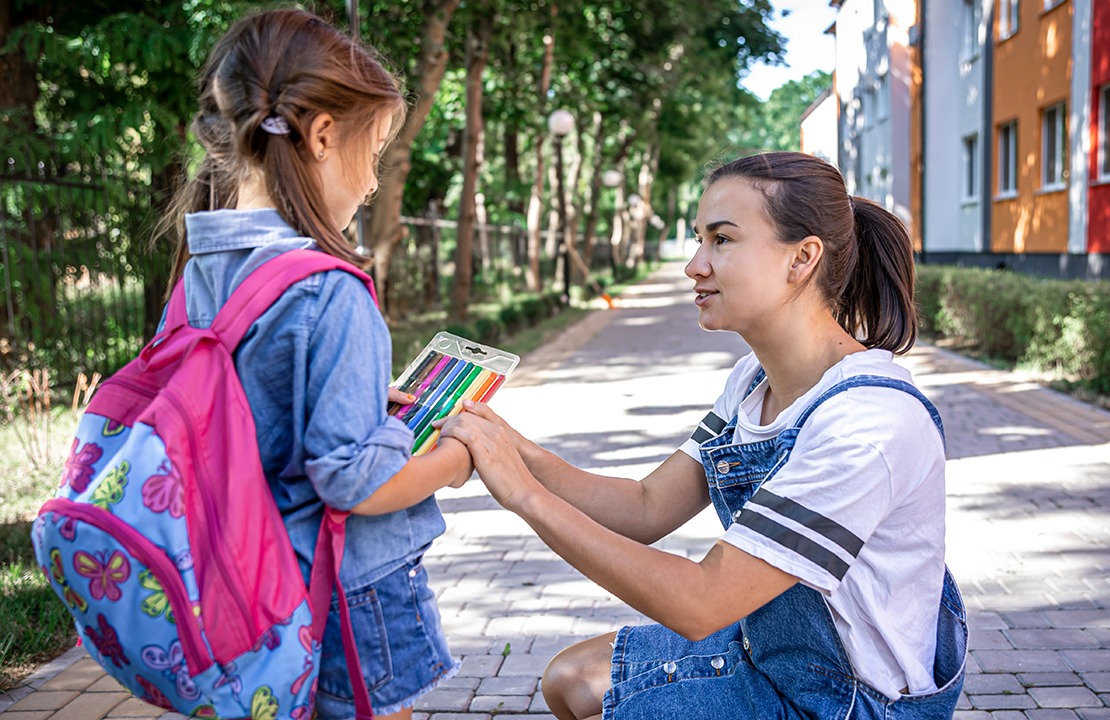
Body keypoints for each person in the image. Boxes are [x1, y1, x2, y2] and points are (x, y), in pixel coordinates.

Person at [437, 152, 967, 720]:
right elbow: (646, 507)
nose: (694, 264)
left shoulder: (868, 422)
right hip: (769, 653)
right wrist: (508, 443)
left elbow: (701, 602)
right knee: (570, 680)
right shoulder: (753, 383)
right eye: (699, 238)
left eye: (721, 240)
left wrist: (523, 494)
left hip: (852, 701)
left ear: (802, 259)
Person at [153, 9, 472, 719]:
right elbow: (354, 482)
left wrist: (361, 404)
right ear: (324, 134)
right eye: (377, 150)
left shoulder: (196, 275)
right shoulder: (331, 290)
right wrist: (457, 458)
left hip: (240, 585)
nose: (372, 179)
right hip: (348, 599)